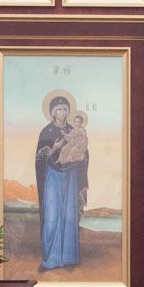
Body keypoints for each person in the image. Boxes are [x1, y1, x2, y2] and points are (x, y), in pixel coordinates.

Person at [34, 95, 88, 272]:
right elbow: (40, 157)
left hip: (70, 175)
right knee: (51, 216)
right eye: (58, 109)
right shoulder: (46, 132)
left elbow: (84, 150)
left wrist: (82, 155)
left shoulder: (75, 129)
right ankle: (49, 259)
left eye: (65, 109)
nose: (62, 112)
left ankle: (69, 259)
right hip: (52, 176)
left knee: (69, 216)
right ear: (52, 112)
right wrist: (55, 149)